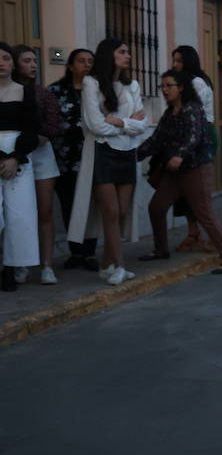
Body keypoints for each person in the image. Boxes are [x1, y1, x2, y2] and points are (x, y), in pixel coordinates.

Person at [137, 70, 222, 273]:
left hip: (195, 169)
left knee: (204, 214)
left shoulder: (193, 109)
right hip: (174, 172)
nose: (164, 90)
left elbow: (194, 136)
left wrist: (180, 155)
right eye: (162, 86)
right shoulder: (168, 113)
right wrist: (132, 154)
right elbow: (156, 140)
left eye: (169, 86)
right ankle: (160, 250)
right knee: (156, 207)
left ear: (181, 87)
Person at [70, 38, 149, 286]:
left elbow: (143, 124)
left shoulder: (132, 85)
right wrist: (127, 125)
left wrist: (120, 123)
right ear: (109, 54)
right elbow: (94, 125)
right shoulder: (91, 83)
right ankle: (120, 267)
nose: (128, 55)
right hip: (102, 153)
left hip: (127, 153)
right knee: (111, 212)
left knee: (123, 212)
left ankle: (106, 263)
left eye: (127, 52)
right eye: (122, 52)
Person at [13, 46, 63, 284]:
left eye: (34, 60)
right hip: (13, 155)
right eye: (27, 61)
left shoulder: (43, 93)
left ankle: (46, 266)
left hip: (40, 154)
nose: (33, 65)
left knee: (45, 211)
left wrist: (31, 143)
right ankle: (20, 263)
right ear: (15, 63)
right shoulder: (8, 92)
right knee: (19, 213)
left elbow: (53, 125)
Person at [48, 48, 98, 270]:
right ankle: (75, 252)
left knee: (91, 205)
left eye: (90, 61)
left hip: (92, 157)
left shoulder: (98, 90)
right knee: (69, 204)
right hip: (64, 158)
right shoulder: (56, 91)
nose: (86, 65)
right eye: (81, 61)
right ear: (70, 65)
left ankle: (89, 252)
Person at [0, 43, 40, 292]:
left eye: (5, 58)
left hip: (19, 156)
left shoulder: (25, 92)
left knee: (19, 215)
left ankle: (11, 269)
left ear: (12, 63)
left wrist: (15, 157)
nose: (1, 62)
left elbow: (32, 128)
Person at [170, 46, 217, 252]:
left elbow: (190, 113)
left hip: (201, 135)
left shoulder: (197, 83)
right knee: (186, 190)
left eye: (179, 61)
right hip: (186, 135)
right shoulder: (183, 83)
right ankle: (193, 233)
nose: (175, 65)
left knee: (200, 190)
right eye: (174, 61)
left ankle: (213, 238)